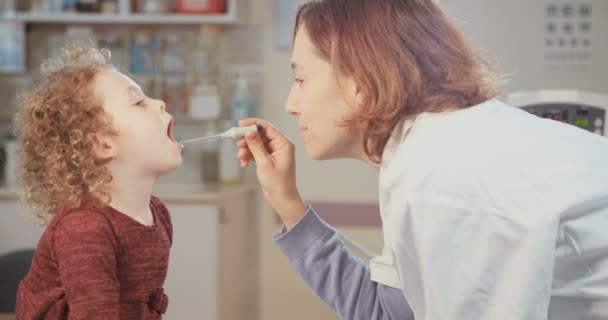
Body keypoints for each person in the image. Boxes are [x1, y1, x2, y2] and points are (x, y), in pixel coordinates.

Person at [236, 0, 608, 319]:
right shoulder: (427, 155)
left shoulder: (444, 181)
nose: (290, 104)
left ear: (360, 85)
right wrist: (286, 202)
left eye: (300, 80)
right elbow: (388, 310)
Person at [14, 43, 182, 319]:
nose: (159, 102)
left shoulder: (158, 215)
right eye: (138, 102)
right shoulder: (84, 229)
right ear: (102, 144)